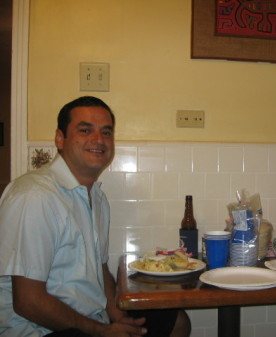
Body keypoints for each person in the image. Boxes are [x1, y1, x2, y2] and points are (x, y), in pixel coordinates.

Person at [0, 96, 191, 337]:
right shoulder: (34, 196)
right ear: (60, 139)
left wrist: (117, 315)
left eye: (107, 132)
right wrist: (100, 332)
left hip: (91, 319)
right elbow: (28, 301)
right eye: (85, 130)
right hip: (39, 329)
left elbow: (100, 269)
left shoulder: (97, 198)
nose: (99, 140)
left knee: (176, 321)